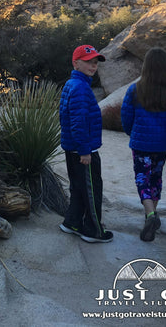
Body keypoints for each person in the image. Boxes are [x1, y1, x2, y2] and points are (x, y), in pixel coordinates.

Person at [121, 47, 166, 242]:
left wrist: (130, 132)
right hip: (161, 146)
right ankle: (151, 214)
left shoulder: (135, 89)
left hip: (140, 144)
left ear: (146, 67)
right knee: (156, 179)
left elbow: (126, 116)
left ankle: (150, 214)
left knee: (142, 178)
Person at [59, 45, 113, 243]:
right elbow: (78, 122)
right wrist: (84, 150)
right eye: (88, 61)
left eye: (95, 62)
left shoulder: (72, 84)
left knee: (79, 188)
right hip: (83, 150)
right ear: (76, 63)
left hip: (73, 148)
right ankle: (93, 231)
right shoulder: (81, 88)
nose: (93, 65)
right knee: (92, 190)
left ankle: (72, 222)